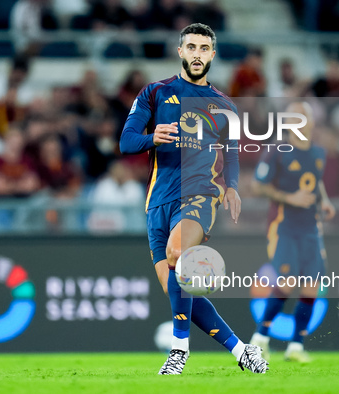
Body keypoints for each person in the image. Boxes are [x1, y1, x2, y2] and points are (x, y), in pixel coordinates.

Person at [119, 23, 268, 375]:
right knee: (181, 290)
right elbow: (126, 142)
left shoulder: (223, 105)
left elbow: (231, 155)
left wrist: (231, 186)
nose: (198, 54)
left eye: (204, 48)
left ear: (212, 55)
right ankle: (242, 351)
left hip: (200, 195)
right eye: (192, 47)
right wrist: (152, 137)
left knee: (177, 254)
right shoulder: (154, 94)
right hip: (158, 203)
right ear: (181, 52)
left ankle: (178, 349)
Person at [250, 102, 336, 363]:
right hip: (284, 227)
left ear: (311, 122)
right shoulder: (276, 152)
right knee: (286, 283)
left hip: (311, 228)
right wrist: (290, 197)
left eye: (304, 116)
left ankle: (296, 346)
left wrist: (325, 200)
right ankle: (260, 339)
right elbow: (257, 186)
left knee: (311, 287)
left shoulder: (319, 153)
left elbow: (316, 180)